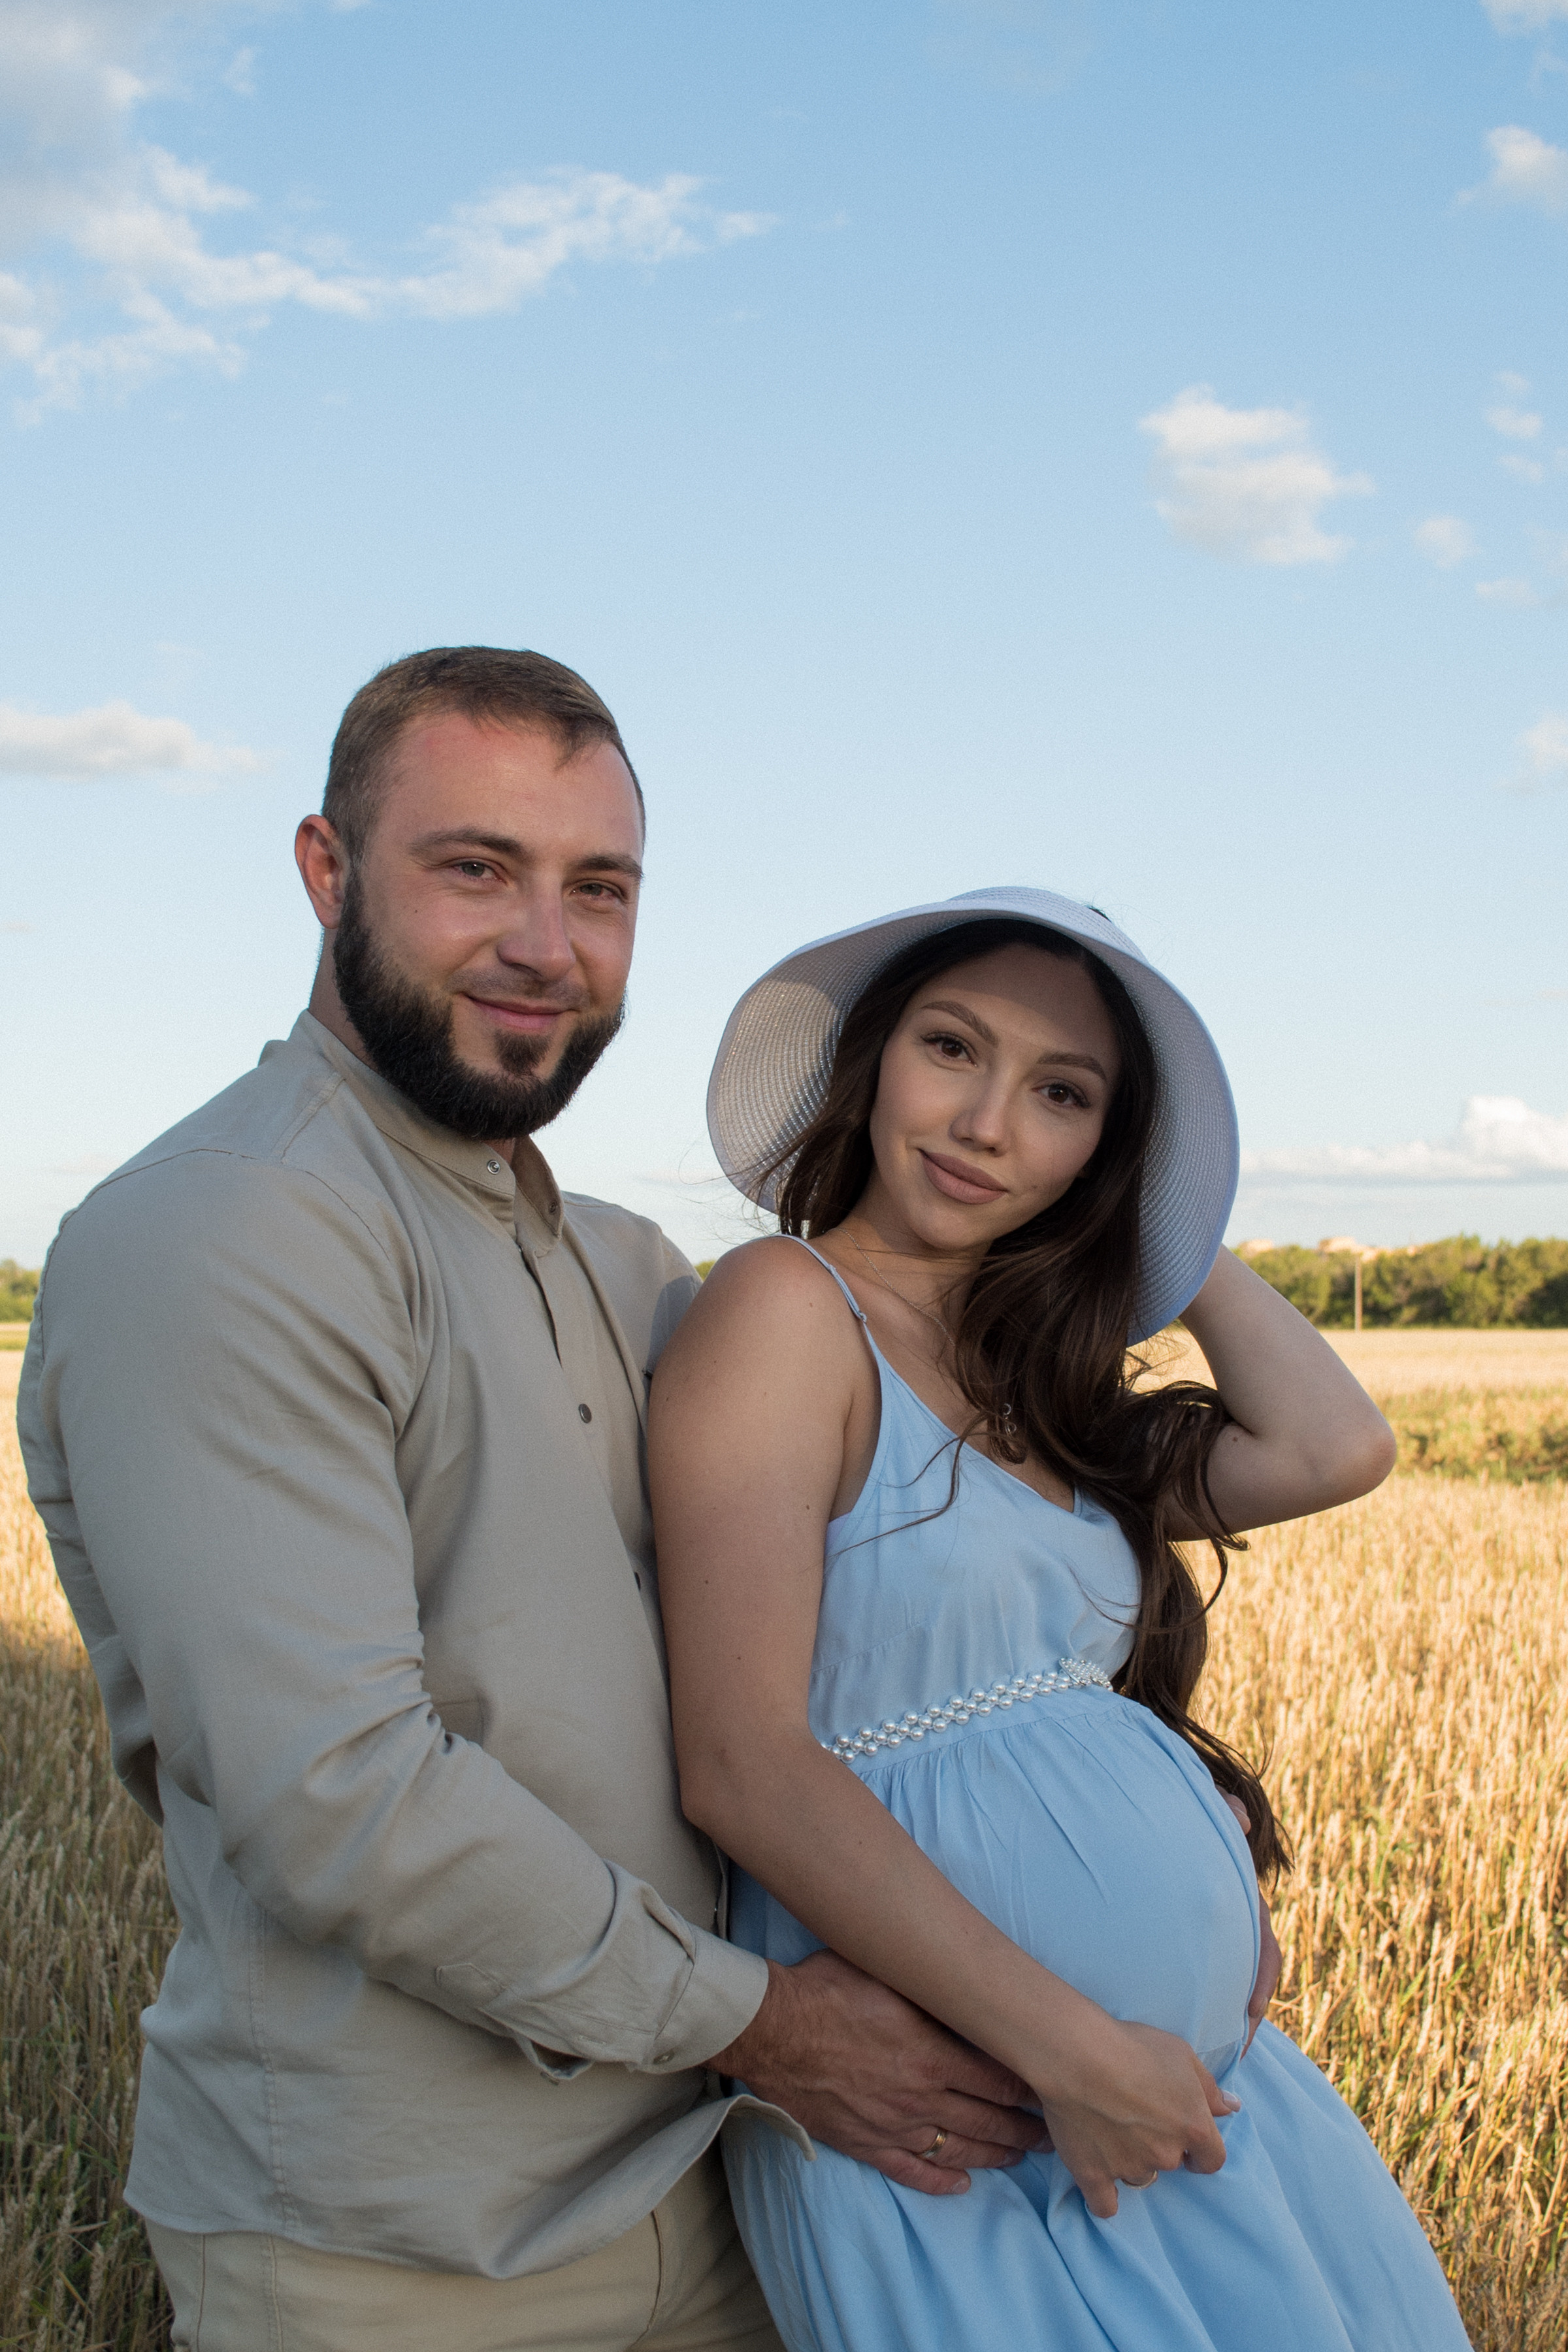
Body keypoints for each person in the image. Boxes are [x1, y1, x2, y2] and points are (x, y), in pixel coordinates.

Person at [16, 657, 1053, 2352]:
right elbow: (342, 1797)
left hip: (716, 2196)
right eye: (476, 868)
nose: (546, 943)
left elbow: (927, 1572)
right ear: (327, 874)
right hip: (396, 2258)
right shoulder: (228, 1231)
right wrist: (762, 2024)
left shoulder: (626, 1266)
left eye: (601, 888)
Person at [648, 889, 1475, 2352]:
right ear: (871, 1058)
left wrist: (1172, 1221)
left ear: (1111, 1146)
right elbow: (744, 1762)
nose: (984, 1124)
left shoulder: (1039, 1383)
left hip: (1188, 2101)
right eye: (951, 1049)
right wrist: (1072, 2047)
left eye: (1062, 1095)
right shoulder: (788, 1308)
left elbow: (1333, 1446)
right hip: (976, 2123)